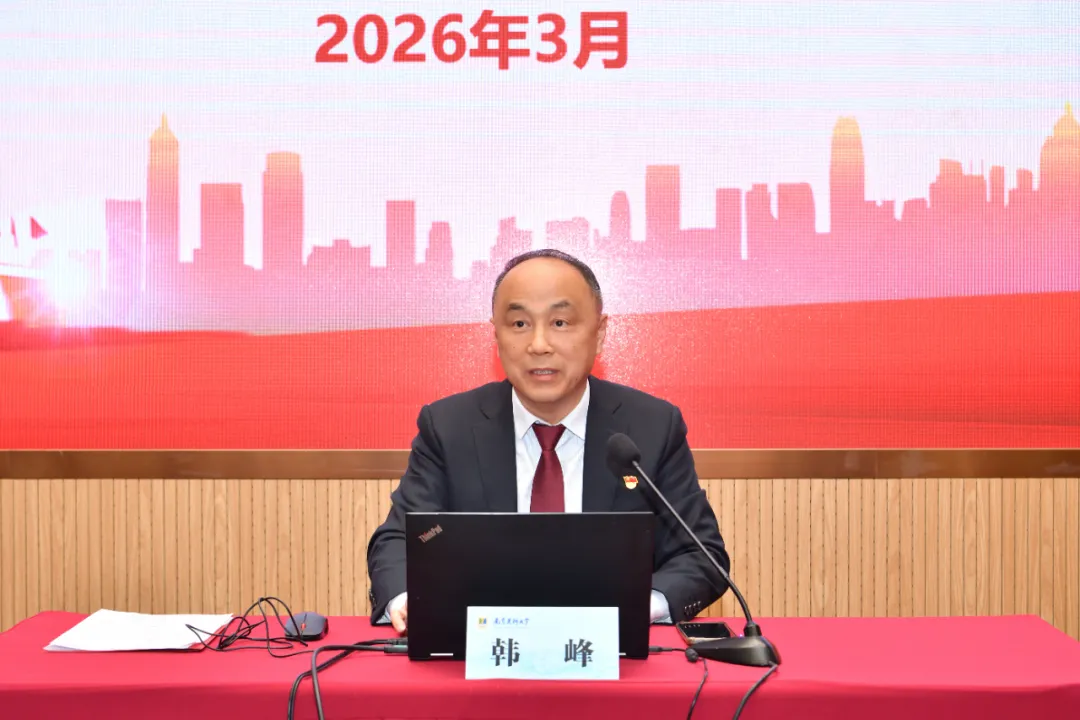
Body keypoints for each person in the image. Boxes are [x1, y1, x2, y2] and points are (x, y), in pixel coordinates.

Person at [366, 249, 730, 632]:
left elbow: (700, 554)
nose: (539, 344)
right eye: (519, 323)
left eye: (560, 322)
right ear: (496, 334)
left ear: (600, 334)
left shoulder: (651, 427)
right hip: (483, 648)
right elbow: (399, 539)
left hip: (611, 653)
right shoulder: (448, 427)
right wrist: (408, 600)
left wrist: (638, 607)